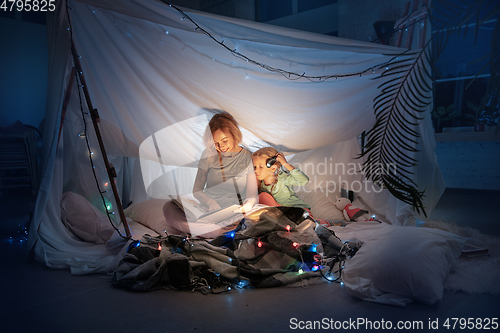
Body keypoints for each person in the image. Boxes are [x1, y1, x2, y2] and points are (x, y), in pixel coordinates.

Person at [163, 112, 257, 237]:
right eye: (215, 143)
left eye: (224, 141)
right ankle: (219, 232)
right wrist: (209, 202)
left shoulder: (248, 158)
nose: (220, 147)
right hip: (207, 210)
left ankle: (219, 231)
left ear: (234, 135)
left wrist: (247, 205)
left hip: (232, 213)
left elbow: (252, 195)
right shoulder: (208, 154)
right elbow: (197, 189)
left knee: (250, 218)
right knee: (168, 207)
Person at [252, 147, 332, 227]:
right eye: (255, 167)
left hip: (298, 211)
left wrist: (285, 164)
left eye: (260, 167)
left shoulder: (283, 178)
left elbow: (304, 181)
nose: (256, 170)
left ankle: (319, 222)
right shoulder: (260, 183)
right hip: (283, 215)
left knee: (262, 197)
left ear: (273, 168)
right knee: (261, 200)